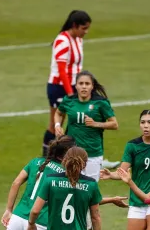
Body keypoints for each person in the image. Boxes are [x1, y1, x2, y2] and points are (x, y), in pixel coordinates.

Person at [44, 9, 119, 168]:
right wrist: (71, 95)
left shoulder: (78, 39)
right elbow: (62, 70)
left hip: (74, 86)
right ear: (74, 26)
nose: (86, 31)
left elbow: (76, 68)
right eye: (84, 28)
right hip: (59, 87)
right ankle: (48, 160)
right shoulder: (62, 41)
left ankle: (93, 158)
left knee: (89, 119)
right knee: (56, 125)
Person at [54, 70, 118, 182]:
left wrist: (95, 124)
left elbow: (114, 124)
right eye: (81, 83)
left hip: (92, 153)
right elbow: (59, 113)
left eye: (87, 84)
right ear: (76, 86)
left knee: (88, 190)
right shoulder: (69, 101)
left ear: (92, 86)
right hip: (71, 152)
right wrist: (57, 125)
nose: (84, 87)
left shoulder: (100, 103)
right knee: (69, 187)